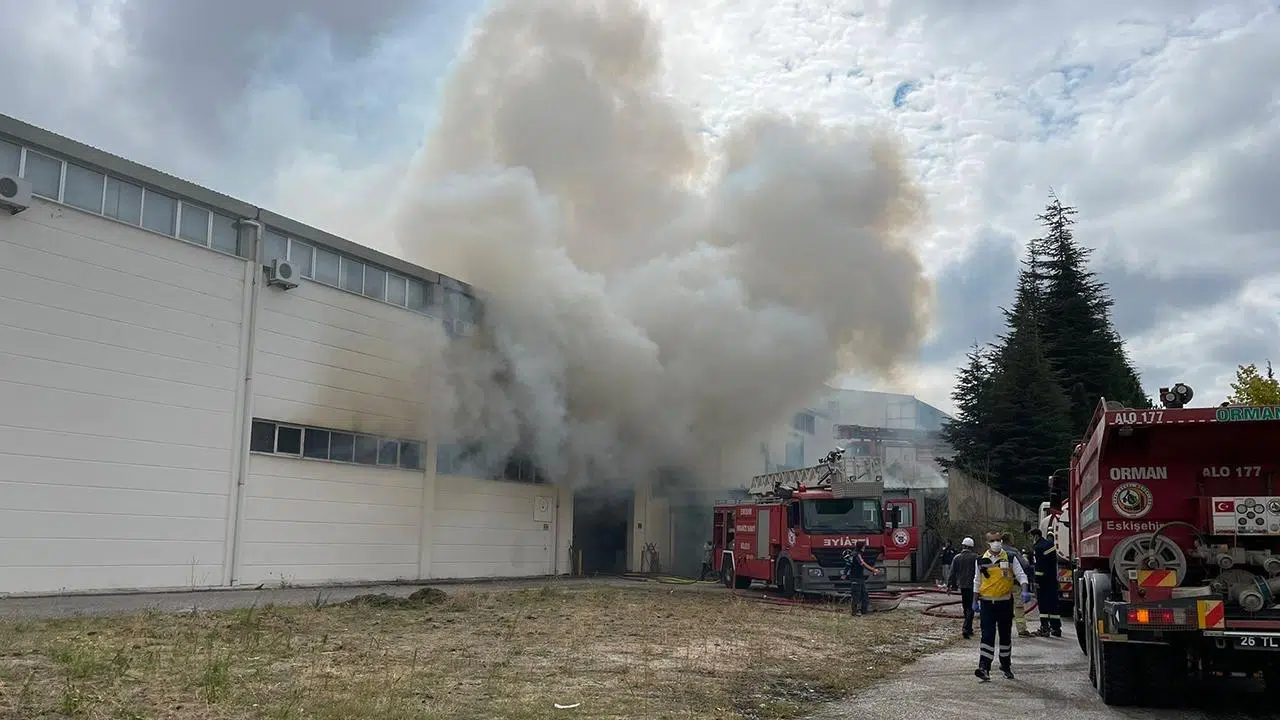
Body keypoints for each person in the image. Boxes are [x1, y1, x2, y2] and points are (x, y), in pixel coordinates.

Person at [972, 530, 1031, 681]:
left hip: (1004, 603)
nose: (996, 543)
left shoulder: (1010, 558)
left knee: (1005, 637)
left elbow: (1021, 575)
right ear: (987, 543)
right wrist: (974, 600)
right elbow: (976, 581)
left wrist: (1025, 590)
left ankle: (1005, 666)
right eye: (993, 540)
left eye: (998, 540)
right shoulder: (980, 560)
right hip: (987, 604)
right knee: (987, 636)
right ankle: (984, 667)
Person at [1030, 528, 1063, 637]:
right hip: (1052, 579)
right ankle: (1056, 628)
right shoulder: (1050, 545)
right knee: (1053, 604)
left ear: (1035, 536)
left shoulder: (1038, 547)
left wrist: (1037, 581)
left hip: (1043, 582)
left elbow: (1038, 566)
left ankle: (1045, 627)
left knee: (1043, 605)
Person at [1001, 532, 1034, 638]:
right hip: (1014, 583)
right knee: (1018, 607)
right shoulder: (1014, 552)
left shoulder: (997, 552)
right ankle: (1022, 629)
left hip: (1000, 584)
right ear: (1010, 540)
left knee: (1002, 607)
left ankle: (1002, 629)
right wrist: (1025, 557)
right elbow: (1025, 565)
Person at [949, 537, 979, 639]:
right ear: (972, 547)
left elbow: (952, 573)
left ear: (963, 546)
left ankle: (969, 628)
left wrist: (951, 585)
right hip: (973, 586)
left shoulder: (957, 558)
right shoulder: (976, 557)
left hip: (962, 586)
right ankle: (966, 628)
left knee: (966, 607)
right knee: (971, 607)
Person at [842, 540, 881, 616]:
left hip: (859, 577)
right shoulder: (857, 555)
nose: (865, 548)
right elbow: (863, 564)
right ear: (862, 547)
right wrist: (873, 570)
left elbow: (848, 565)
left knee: (864, 594)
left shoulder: (853, 554)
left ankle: (864, 610)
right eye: (864, 546)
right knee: (856, 595)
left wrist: (844, 574)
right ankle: (854, 612)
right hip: (856, 577)